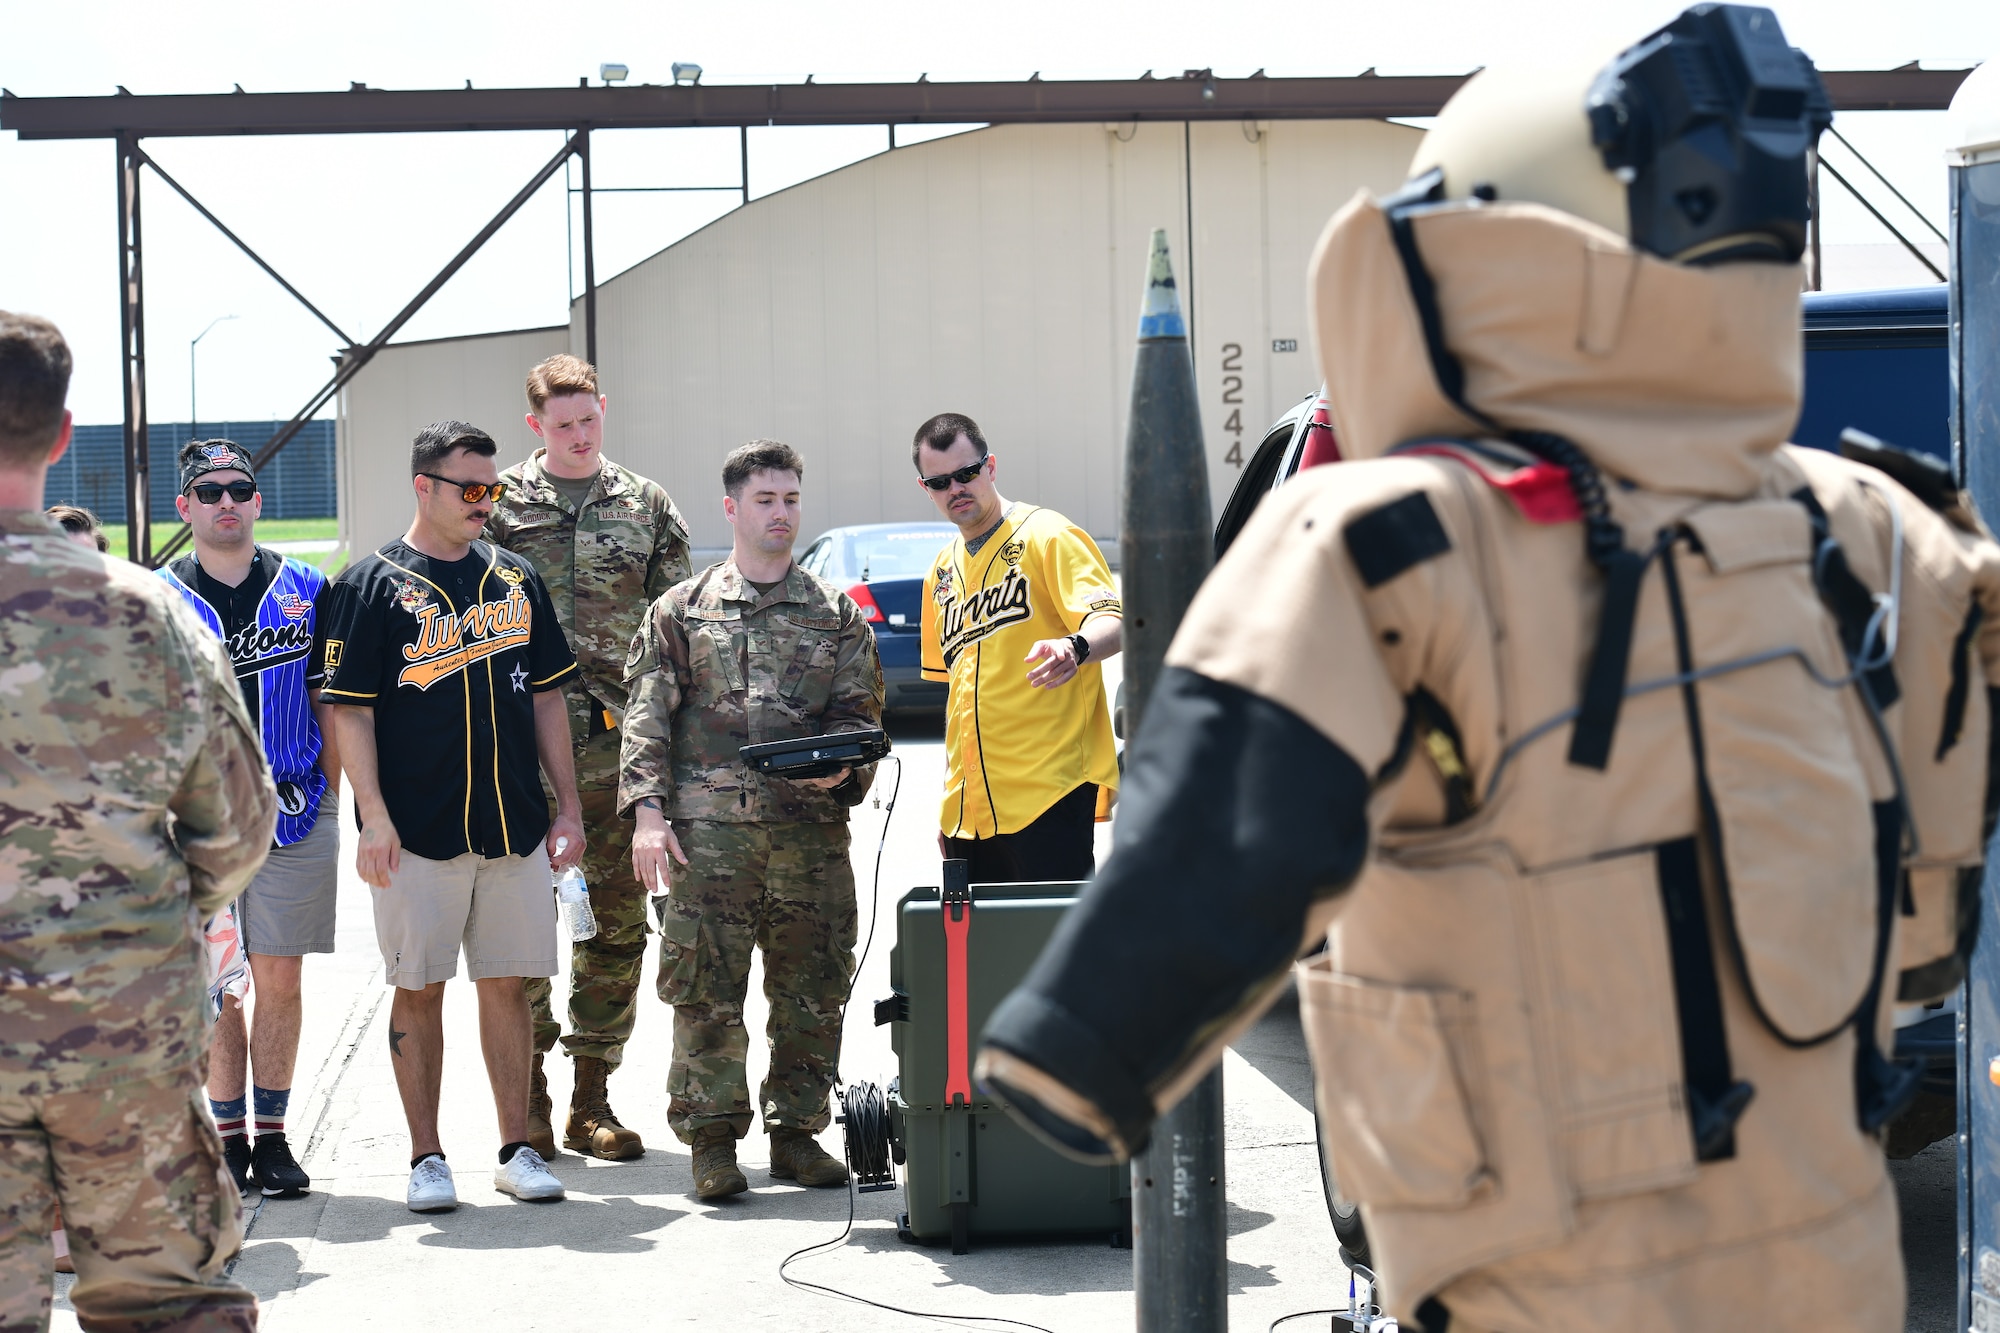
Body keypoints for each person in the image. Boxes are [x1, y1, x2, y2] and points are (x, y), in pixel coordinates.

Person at [976, 9, 2000, 1331]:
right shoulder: (1885, 531)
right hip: (1826, 1267)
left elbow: (1149, 953)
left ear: (1467, 243)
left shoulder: (1389, 542)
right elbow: (1924, 934)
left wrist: (1069, 1052)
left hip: (1537, 1288)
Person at [0, 310, 275, 1332]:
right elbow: (241, 827)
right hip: (126, 1031)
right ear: (63, 434)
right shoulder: (148, 614)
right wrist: (145, 906)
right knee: (168, 1311)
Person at [316, 419, 584, 1213]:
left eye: (491, 488)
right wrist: (372, 816)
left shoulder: (514, 576)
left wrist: (567, 803)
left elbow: (548, 695)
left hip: (512, 823)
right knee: (420, 987)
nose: (483, 502)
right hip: (417, 829)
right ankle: (426, 1156)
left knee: (509, 985)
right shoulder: (367, 586)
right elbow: (348, 710)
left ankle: (514, 1148)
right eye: (469, 489)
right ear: (423, 486)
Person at [622, 439, 884, 1200]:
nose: (782, 513)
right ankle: (711, 1142)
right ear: (732, 507)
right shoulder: (680, 608)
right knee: (706, 988)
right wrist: (647, 814)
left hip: (809, 840)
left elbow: (860, 716)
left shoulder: (833, 613)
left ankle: (797, 1134)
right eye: (766, 499)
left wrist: (848, 769)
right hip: (710, 841)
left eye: (792, 498)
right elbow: (646, 720)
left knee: (812, 987)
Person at [486, 353, 692, 1161]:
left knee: (612, 932)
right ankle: (527, 1099)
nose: (578, 436)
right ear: (535, 425)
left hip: (615, 751)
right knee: (522, 929)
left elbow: (678, 631)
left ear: (604, 408)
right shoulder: (498, 503)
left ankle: (591, 1100)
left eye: (589, 420)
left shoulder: (645, 505)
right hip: (516, 754)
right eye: (561, 424)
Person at [158, 438, 343, 1201]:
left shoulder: (306, 586)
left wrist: (333, 791)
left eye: (240, 487)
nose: (226, 500)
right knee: (217, 985)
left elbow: (335, 700)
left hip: (295, 808)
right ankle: (227, 1138)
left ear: (259, 500)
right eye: (210, 491)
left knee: (279, 976)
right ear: (187, 506)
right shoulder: (158, 596)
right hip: (198, 824)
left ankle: (272, 1136)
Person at [914, 412, 1123, 882]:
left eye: (967, 473)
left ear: (990, 466)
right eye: (941, 481)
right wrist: (954, 803)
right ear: (926, 488)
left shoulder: (1047, 534)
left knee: (1053, 944)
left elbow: (1112, 619)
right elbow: (957, 702)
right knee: (984, 953)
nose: (957, 488)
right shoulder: (940, 573)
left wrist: (1075, 647)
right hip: (971, 812)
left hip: (1048, 790)